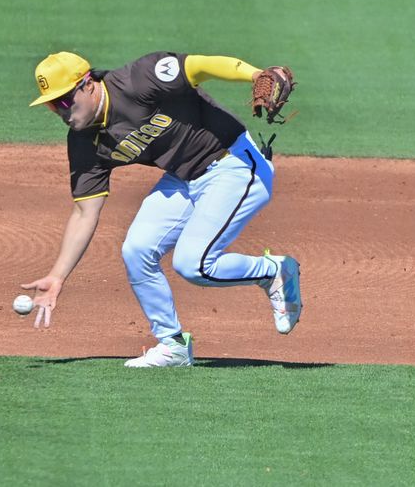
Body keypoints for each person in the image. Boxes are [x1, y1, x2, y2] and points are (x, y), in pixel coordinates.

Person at [21, 51, 302, 367]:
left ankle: (273, 271)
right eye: (50, 104)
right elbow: (85, 212)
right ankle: (173, 344)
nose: (59, 110)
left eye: (63, 100)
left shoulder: (137, 80)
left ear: (87, 84)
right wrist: (58, 276)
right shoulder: (84, 141)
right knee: (137, 250)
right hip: (183, 179)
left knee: (193, 264)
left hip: (235, 164)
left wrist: (254, 75)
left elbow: (200, 66)